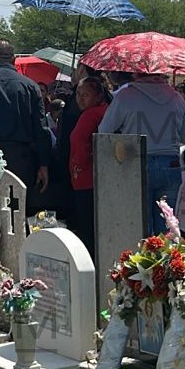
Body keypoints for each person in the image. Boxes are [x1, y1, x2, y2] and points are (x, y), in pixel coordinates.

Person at [98, 72, 185, 235]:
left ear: (136, 73)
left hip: (136, 163)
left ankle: (144, 259)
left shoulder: (125, 96)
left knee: (140, 224)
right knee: (167, 224)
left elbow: (104, 130)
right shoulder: (176, 98)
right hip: (170, 165)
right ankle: (168, 260)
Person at [0, 40, 52, 211]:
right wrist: (44, 164)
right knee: (17, 213)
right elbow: (41, 129)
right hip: (21, 161)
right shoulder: (31, 86)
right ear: (14, 59)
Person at [68, 76, 109, 256]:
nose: (80, 99)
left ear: (98, 96)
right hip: (100, 177)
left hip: (85, 177)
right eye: (78, 94)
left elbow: (79, 141)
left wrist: (77, 166)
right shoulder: (106, 111)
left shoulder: (91, 114)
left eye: (86, 95)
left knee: (87, 227)